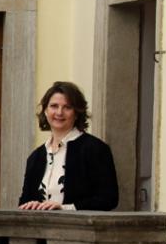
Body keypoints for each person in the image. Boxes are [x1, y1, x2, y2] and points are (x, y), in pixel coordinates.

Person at [19, 81, 118, 211]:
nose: (59, 112)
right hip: (39, 229)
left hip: (79, 229)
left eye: (67, 107)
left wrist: (65, 208)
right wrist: (30, 205)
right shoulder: (36, 157)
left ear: (77, 113)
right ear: (45, 111)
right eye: (54, 106)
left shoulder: (96, 149)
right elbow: (24, 200)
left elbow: (109, 199)